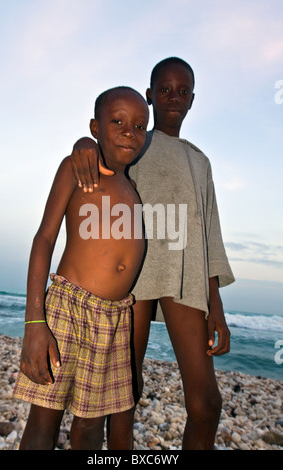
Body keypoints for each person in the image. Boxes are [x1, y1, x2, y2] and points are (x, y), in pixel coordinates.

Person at [70, 57, 235, 450]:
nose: (173, 97)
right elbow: (104, 153)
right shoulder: (138, 141)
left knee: (207, 403)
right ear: (150, 96)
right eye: (164, 90)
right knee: (127, 389)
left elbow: (208, 233)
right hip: (134, 280)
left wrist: (216, 304)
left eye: (182, 91)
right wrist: (83, 144)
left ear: (193, 99)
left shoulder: (199, 160)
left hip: (183, 278)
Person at [13, 86, 149, 450]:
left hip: (113, 319)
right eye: (117, 121)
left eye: (139, 126)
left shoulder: (132, 188)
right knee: (44, 418)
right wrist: (34, 323)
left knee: (90, 428)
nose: (128, 132)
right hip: (69, 310)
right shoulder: (78, 167)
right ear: (95, 126)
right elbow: (44, 239)